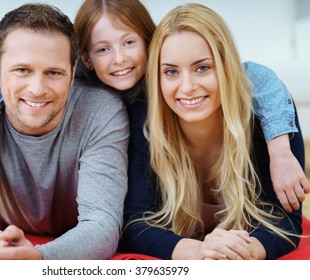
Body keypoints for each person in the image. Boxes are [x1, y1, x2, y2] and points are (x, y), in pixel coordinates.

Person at [0, 0, 308, 214]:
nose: (118, 60)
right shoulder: (78, 80)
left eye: (129, 42)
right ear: (84, 58)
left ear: (149, 40)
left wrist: (280, 149)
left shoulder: (171, 75)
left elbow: (255, 76)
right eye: (102, 49)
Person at [0, 3, 129, 260]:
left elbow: (103, 223)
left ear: (73, 72)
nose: (37, 88)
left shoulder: (101, 111)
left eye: (53, 72)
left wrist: (37, 259)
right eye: (22, 70)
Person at [122, 3, 305, 260]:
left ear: (226, 66)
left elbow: (286, 221)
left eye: (202, 68)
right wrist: (200, 252)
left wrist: (240, 252)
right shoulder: (145, 119)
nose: (187, 87)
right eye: (171, 72)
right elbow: (133, 224)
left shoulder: (272, 122)